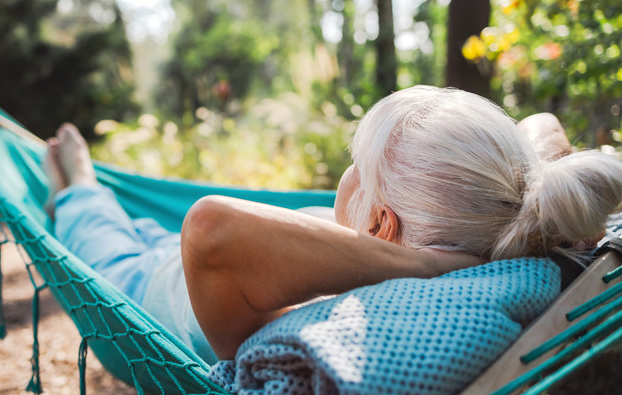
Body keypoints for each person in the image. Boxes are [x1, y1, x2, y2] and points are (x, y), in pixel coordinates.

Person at [44, 86, 622, 362]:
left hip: (133, 284)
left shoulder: (321, 317)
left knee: (99, 223)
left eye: (355, 165)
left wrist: (422, 264)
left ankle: (81, 185)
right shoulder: (496, 224)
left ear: (378, 221)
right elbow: (542, 125)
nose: (347, 172)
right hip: (168, 249)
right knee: (146, 227)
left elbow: (209, 226)